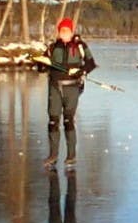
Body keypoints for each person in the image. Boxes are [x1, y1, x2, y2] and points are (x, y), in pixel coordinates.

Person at [38, 17, 97, 166]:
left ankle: (71, 155)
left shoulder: (80, 46)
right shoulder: (52, 47)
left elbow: (91, 64)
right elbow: (42, 67)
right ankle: (53, 155)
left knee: (68, 120)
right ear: (59, 32)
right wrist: (41, 65)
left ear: (71, 32)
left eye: (67, 30)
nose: (64, 33)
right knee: (53, 121)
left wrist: (81, 71)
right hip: (54, 87)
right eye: (62, 30)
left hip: (72, 87)